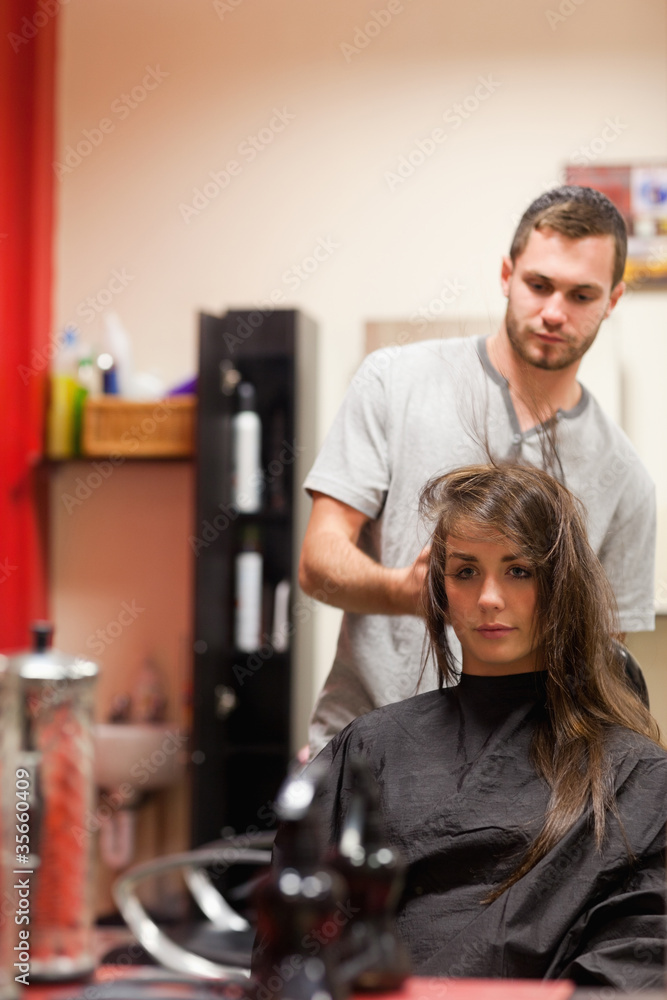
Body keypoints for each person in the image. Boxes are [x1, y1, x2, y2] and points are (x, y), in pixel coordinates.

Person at [299, 185, 656, 757]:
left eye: (581, 294)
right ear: (507, 274)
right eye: (538, 285)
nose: (554, 312)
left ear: (612, 300)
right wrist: (405, 591)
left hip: (512, 783)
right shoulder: (395, 382)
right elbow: (318, 563)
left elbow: (597, 663)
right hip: (362, 755)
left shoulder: (625, 480)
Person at [311, 464, 667, 988]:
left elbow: (636, 962)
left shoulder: (637, 778)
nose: (489, 599)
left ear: (561, 585)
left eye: (519, 570)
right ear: (440, 590)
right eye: (465, 571)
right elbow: (300, 941)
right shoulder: (368, 750)